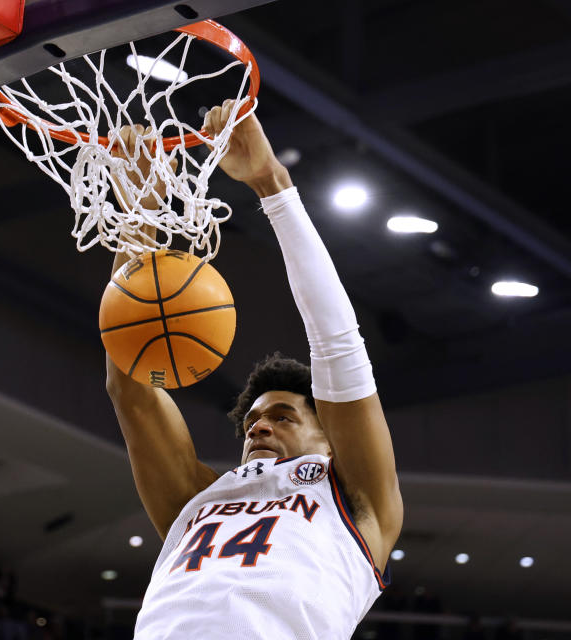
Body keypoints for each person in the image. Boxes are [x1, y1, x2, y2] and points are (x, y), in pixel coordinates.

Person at [105, 100, 404, 639]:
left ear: (330, 439)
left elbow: (337, 341)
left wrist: (272, 184)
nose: (258, 426)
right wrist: (140, 221)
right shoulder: (196, 496)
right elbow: (132, 387)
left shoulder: (357, 498)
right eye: (254, 421)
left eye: (284, 417)